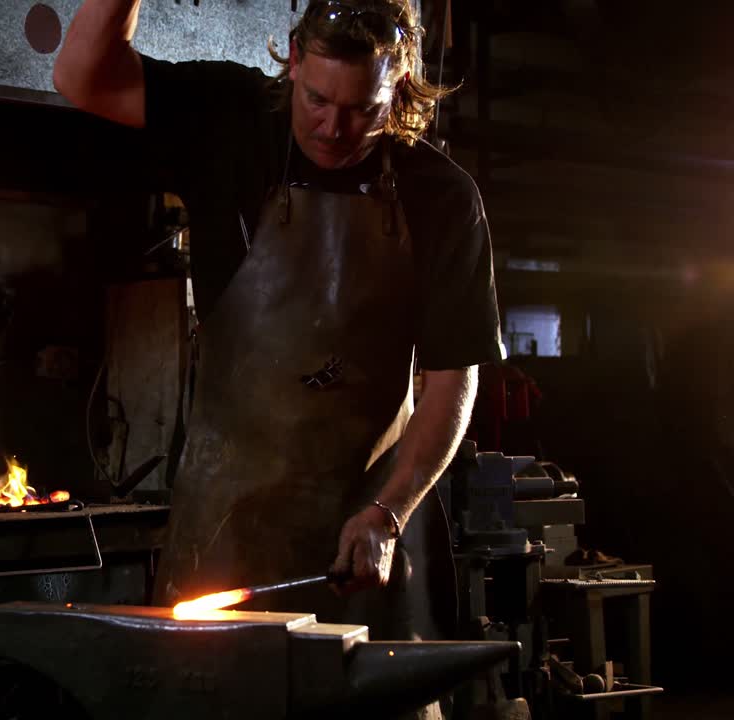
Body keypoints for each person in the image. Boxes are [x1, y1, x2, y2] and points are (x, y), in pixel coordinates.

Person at [55, 1, 501, 707]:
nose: (332, 126)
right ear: (292, 60)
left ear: (401, 82)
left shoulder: (442, 196)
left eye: (362, 109)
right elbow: (81, 75)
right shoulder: (230, 120)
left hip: (364, 547)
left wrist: (389, 514)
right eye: (317, 98)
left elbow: (453, 382)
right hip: (222, 529)